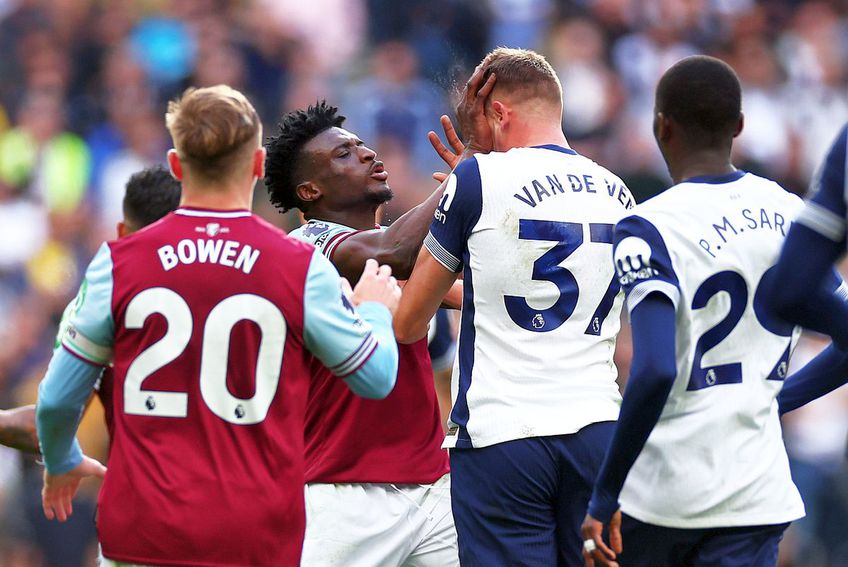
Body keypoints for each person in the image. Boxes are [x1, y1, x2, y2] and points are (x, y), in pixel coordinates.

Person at [36, 85, 401, 567]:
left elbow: (58, 399)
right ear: (255, 164)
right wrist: (374, 309)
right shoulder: (299, 265)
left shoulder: (117, 263)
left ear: (174, 164)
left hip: (141, 536)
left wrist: (61, 462)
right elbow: (375, 379)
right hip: (252, 539)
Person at [580, 55, 846, 567]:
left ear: (661, 125)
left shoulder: (648, 226)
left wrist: (604, 493)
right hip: (757, 489)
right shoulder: (790, 212)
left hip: (665, 495)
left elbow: (656, 368)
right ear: (740, 126)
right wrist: (777, 398)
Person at [394, 48, 635, 565]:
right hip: (597, 428)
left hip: (504, 436)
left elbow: (410, 322)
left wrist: (463, 184)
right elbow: (524, 293)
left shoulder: (479, 179)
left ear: (497, 113)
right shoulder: (620, 193)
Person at [264, 100, 465, 566]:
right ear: (310, 190)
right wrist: (467, 176)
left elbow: (471, 294)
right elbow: (392, 250)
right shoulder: (307, 249)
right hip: (339, 494)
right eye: (343, 154)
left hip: (432, 491)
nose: (369, 154)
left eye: (361, 145)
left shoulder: (402, 255)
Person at [0, 165, 182, 456]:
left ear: (122, 233)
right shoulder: (245, 280)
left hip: (142, 489)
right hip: (234, 490)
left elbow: (49, 424)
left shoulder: (108, 293)